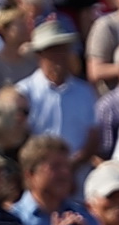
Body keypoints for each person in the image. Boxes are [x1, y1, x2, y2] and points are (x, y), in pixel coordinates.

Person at [15, 22, 97, 160]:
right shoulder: (24, 92)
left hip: (80, 169)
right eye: (52, 51)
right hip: (38, 167)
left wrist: (75, 162)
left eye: (63, 49)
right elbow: (19, 136)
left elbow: (94, 134)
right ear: (39, 55)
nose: (59, 56)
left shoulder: (85, 92)